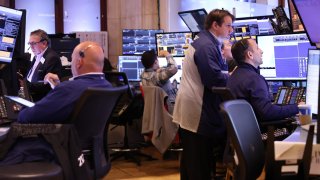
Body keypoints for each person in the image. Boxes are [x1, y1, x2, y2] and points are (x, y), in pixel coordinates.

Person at [172, 9, 234, 180]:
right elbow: (213, 78)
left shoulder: (208, 42)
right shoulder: (207, 46)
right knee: (199, 164)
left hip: (194, 108)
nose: (231, 30)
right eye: (228, 26)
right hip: (196, 111)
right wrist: (232, 75)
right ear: (215, 25)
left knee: (192, 162)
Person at [227, 38, 299, 123]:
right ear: (250, 55)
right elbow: (267, 112)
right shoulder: (254, 79)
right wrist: (297, 107)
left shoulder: (233, 76)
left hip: (243, 130)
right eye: (257, 48)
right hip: (259, 132)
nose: (261, 51)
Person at [26, 29, 63, 101]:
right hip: (30, 96)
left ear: (44, 43)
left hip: (41, 99)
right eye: (29, 44)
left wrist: (26, 86)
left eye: (33, 43)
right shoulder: (36, 56)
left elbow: (48, 85)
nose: (31, 47)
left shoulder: (52, 58)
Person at [140, 49, 178, 114]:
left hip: (156, 112)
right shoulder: (159, 77)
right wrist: (167, 54)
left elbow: (152, 75)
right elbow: (173, 68)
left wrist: (157, 69)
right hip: (169, 111)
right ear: (155, 62)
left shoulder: (143, 76)